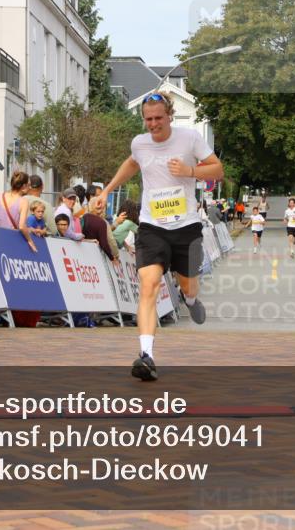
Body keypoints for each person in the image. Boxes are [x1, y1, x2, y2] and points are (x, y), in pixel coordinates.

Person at [93, 90, 223, 382]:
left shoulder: (189, 138)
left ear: (169, 116)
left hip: (186, 226)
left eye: (158, 118)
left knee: (189, 285)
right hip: (152, 227)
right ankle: (146, 355)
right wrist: (106, 190)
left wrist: (190, 170)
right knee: (149, 284)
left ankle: (190, 300)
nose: (153, 124)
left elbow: (218, 169)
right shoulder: (139, 143)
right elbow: (132, 162)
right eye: (148, 119)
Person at [0, 170, 39, 252]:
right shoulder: (23, 201)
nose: (30, 188)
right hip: (12, 240)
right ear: (24, 186)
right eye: (29, 185)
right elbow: (21, 226)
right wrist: (30, 240)